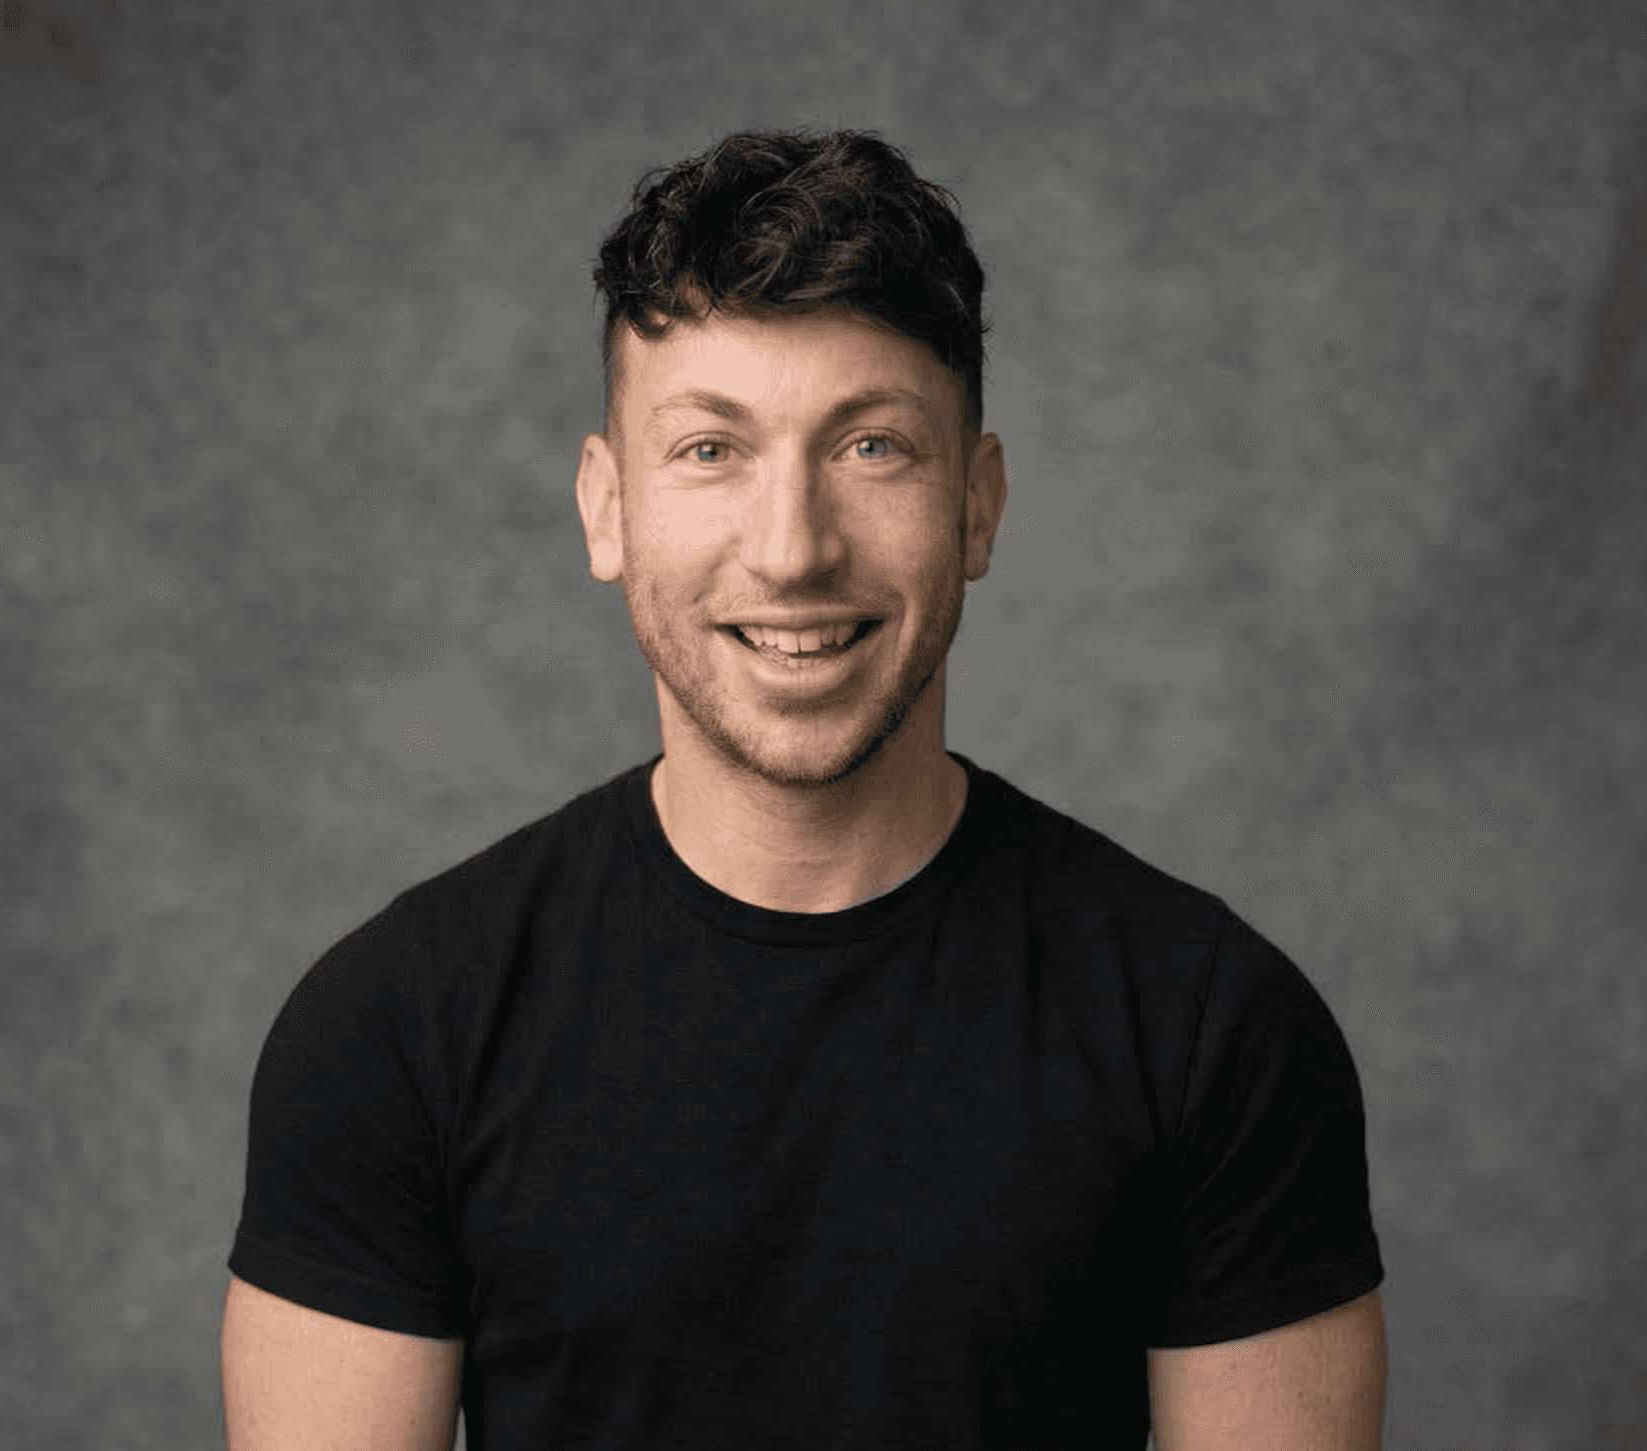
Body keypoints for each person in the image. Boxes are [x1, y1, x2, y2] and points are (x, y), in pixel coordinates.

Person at [219, 127, 1388, 1451]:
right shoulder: (391, 1034)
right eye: (709, 450)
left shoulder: (1211, 1030)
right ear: (607, 508)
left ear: (979, 506)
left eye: (873, 446)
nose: (792, 552)